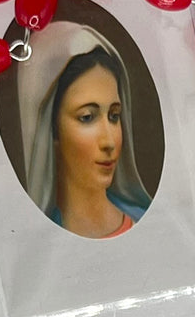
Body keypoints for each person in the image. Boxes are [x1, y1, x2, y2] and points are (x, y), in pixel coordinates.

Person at [17, 22, 154, 238]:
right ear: (52, 129)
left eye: (114, 116)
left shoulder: (151, 223)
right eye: (87, 117)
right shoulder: (41, 244)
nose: (109, 142)